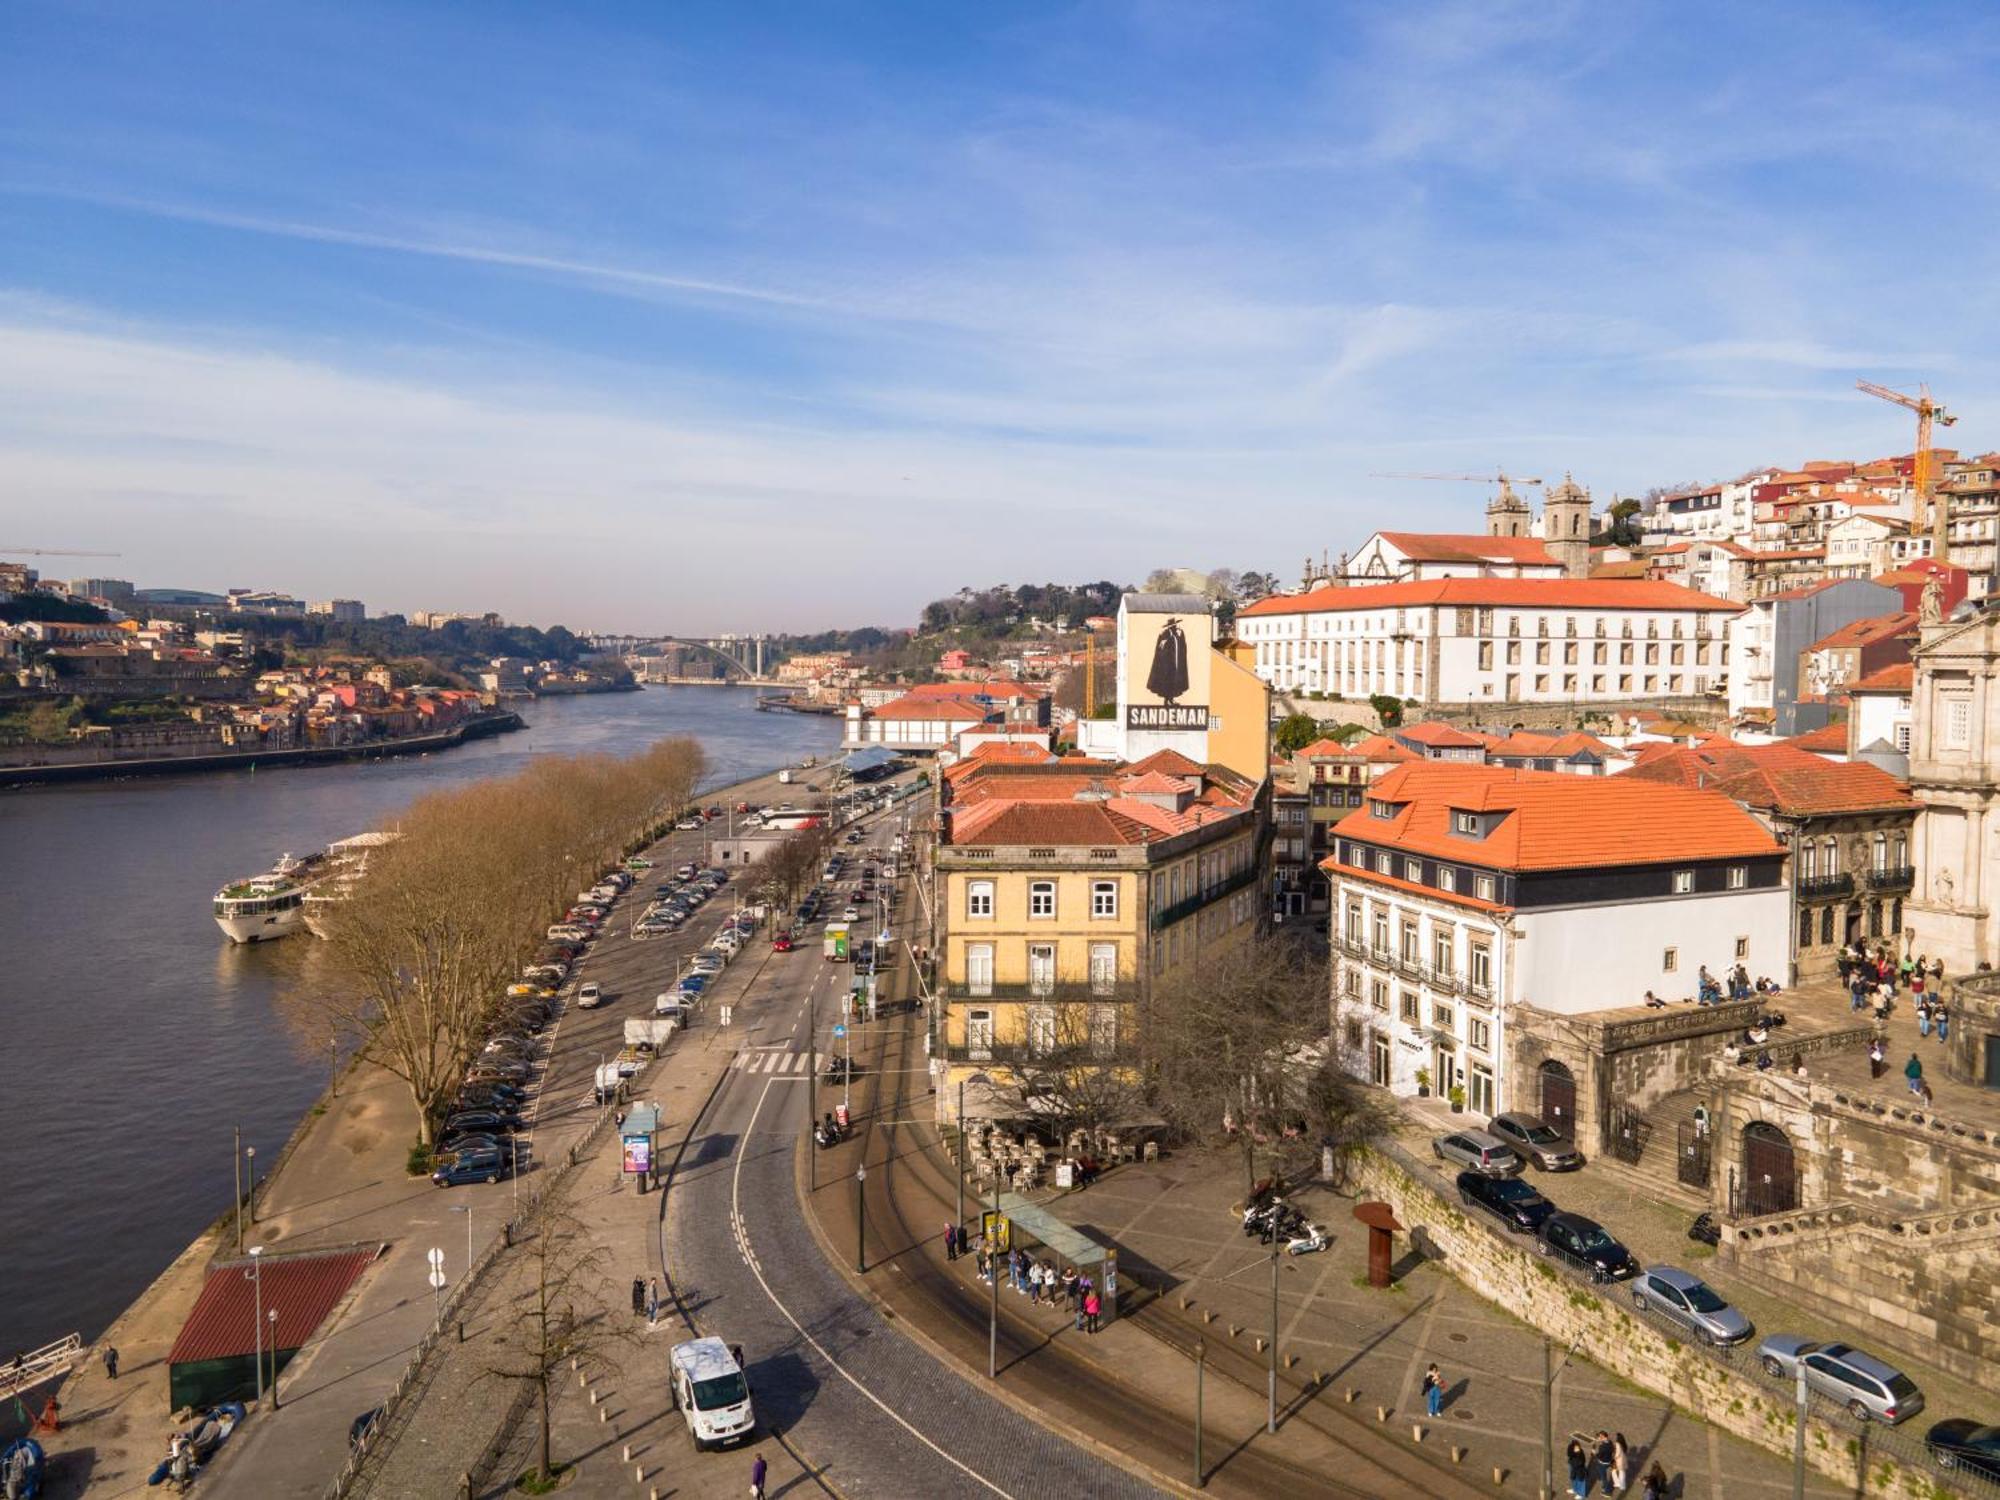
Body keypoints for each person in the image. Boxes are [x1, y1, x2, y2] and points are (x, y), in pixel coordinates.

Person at [1593, 1431, 1614, 1497]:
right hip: (1608, 1461)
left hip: (1602, 1463)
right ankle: (1603, 1485)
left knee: (1604, 1478)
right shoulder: (1610, 1442)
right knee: (1601, 1472)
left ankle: (1607, 1492)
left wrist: (1594, 1453)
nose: (1598, 1438)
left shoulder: (1602, 1447)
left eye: (1599, 1437)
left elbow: (1599, 1456)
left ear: (1603, 1437)